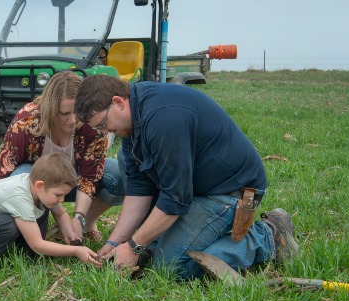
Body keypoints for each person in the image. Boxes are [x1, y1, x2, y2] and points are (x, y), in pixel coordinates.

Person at [73, 75, 299, 280]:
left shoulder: (164, 118)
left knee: (171, 268)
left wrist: (134, 246)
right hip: (194, 189)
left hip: (230, 192)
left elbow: (175, 199)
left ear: (118, 102)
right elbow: (139, 187)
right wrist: (116, 241)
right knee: (126, 161)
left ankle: (267, 234)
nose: (104, 132)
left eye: (103, 124)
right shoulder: (135, 116)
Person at [0, 70, 124, 243]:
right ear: (50, 107)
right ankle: (32, 223)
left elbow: (90, 177)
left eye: (77, 112)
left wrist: (78, 217)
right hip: (39, 183)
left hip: (75, 181)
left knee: (119, 175)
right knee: (21, 176)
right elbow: (4, 168)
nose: (72, 120)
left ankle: (86, 223)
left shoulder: (92, 122)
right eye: (64, 113)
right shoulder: (28, 120)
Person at [0, 153, 101, 269]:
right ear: (40, 186)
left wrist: (70, 233)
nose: (61, 200)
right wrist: (75, 251)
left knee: (43, 208)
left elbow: (60, 213)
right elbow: (37, 243)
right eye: (59, 194)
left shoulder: (39, 190)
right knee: (8, 225)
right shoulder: (19, 197)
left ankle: (26, 254)